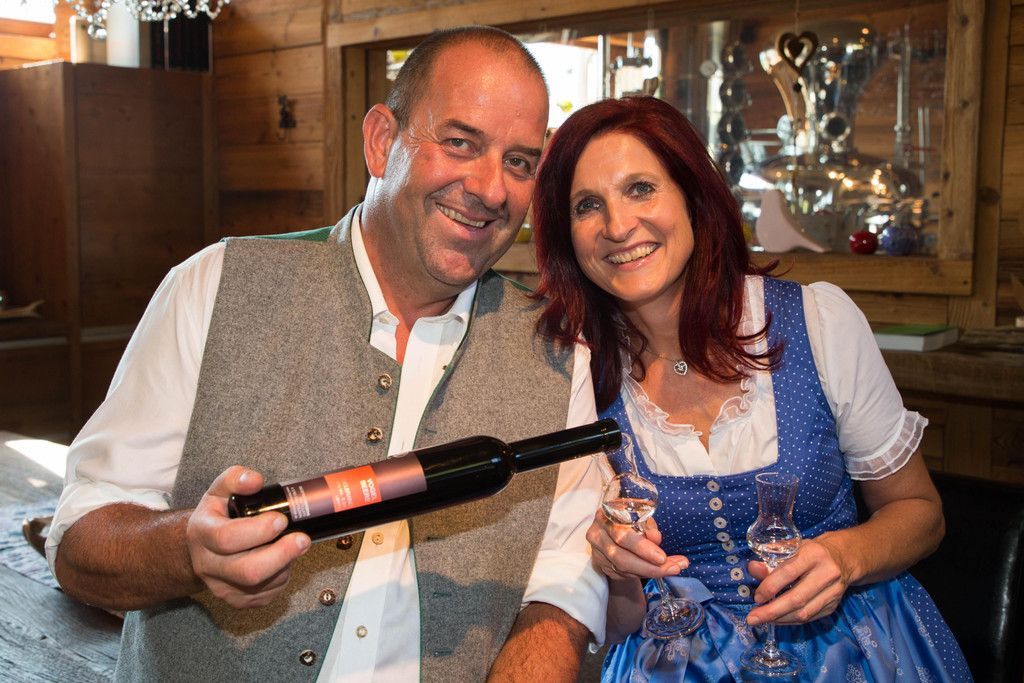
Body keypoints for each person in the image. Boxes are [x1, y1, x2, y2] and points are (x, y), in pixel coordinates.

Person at [46, 26, 609, 682]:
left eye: (519, 162)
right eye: (460, 142)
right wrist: (187, 551)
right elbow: (80, 537)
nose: (491, 189)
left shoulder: (558, 357)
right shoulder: (216, 287)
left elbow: (565, 577)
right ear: (381, 141)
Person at [531, 95, 971, 681]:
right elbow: (620, 623)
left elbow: (921, 513)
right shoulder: (576, 376)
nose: (617, 226)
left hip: (854, 649)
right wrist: (617, 572)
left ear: (693, 197)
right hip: (676, 665)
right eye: (588, 205)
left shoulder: (817, 321)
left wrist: (844, 557)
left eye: (641, 188)